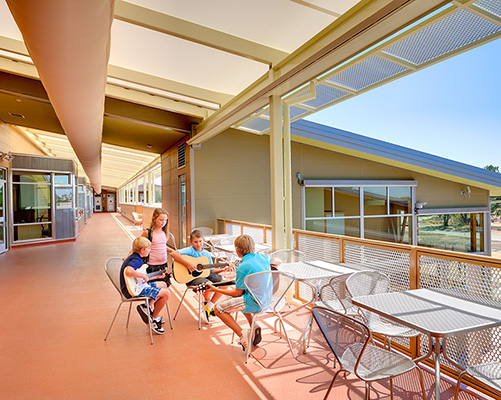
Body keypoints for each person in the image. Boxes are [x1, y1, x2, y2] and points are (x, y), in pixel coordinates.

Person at [206, 234, 279, 351]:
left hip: (255, 303)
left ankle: (242, 335)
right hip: (267, 299)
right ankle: (254, 325)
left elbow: (236, 293)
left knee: (218, 309)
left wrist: (215, 289)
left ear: (237, 249)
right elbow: (278, 261)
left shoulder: (242, 267)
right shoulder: (263, 257)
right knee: (242, 298)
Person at [168, 229, 233, 323]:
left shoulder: (206, 254)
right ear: (191, 242)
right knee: (209, 284)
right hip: (192, 278)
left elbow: (211, 270)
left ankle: (209, 306)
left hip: (206, 275)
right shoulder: (189, 250)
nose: (198, 244)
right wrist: (187, 264)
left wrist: (224, 269)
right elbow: (174, 253)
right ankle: (207, 303)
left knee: (225, 283)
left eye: (200, 241)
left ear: (203, 240)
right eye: (195, 242)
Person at [120, 236, 170, 334]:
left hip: (135, 286)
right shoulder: (136, 260)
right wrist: (143, 276)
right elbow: (129, 271)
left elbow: (139, 278)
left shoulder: (135, 257)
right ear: (142, 250)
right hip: (133, 290)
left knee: (163, 284)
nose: (150, 250)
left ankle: (147, 307)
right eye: (149, 248)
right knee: (166, 293)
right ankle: (154, 319)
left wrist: (156, 277)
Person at [141, 208, 172, 288]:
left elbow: (163, 246)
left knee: (164, 287)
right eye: (161, 220)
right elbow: (138, 245)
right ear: (154, 219)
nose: (163, 222)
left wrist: (175, 251)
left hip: (163, 264)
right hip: (152, 265)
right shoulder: (148, 233)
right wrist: (128, 257)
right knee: (154, 289)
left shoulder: (164, 232)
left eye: (165, 220)